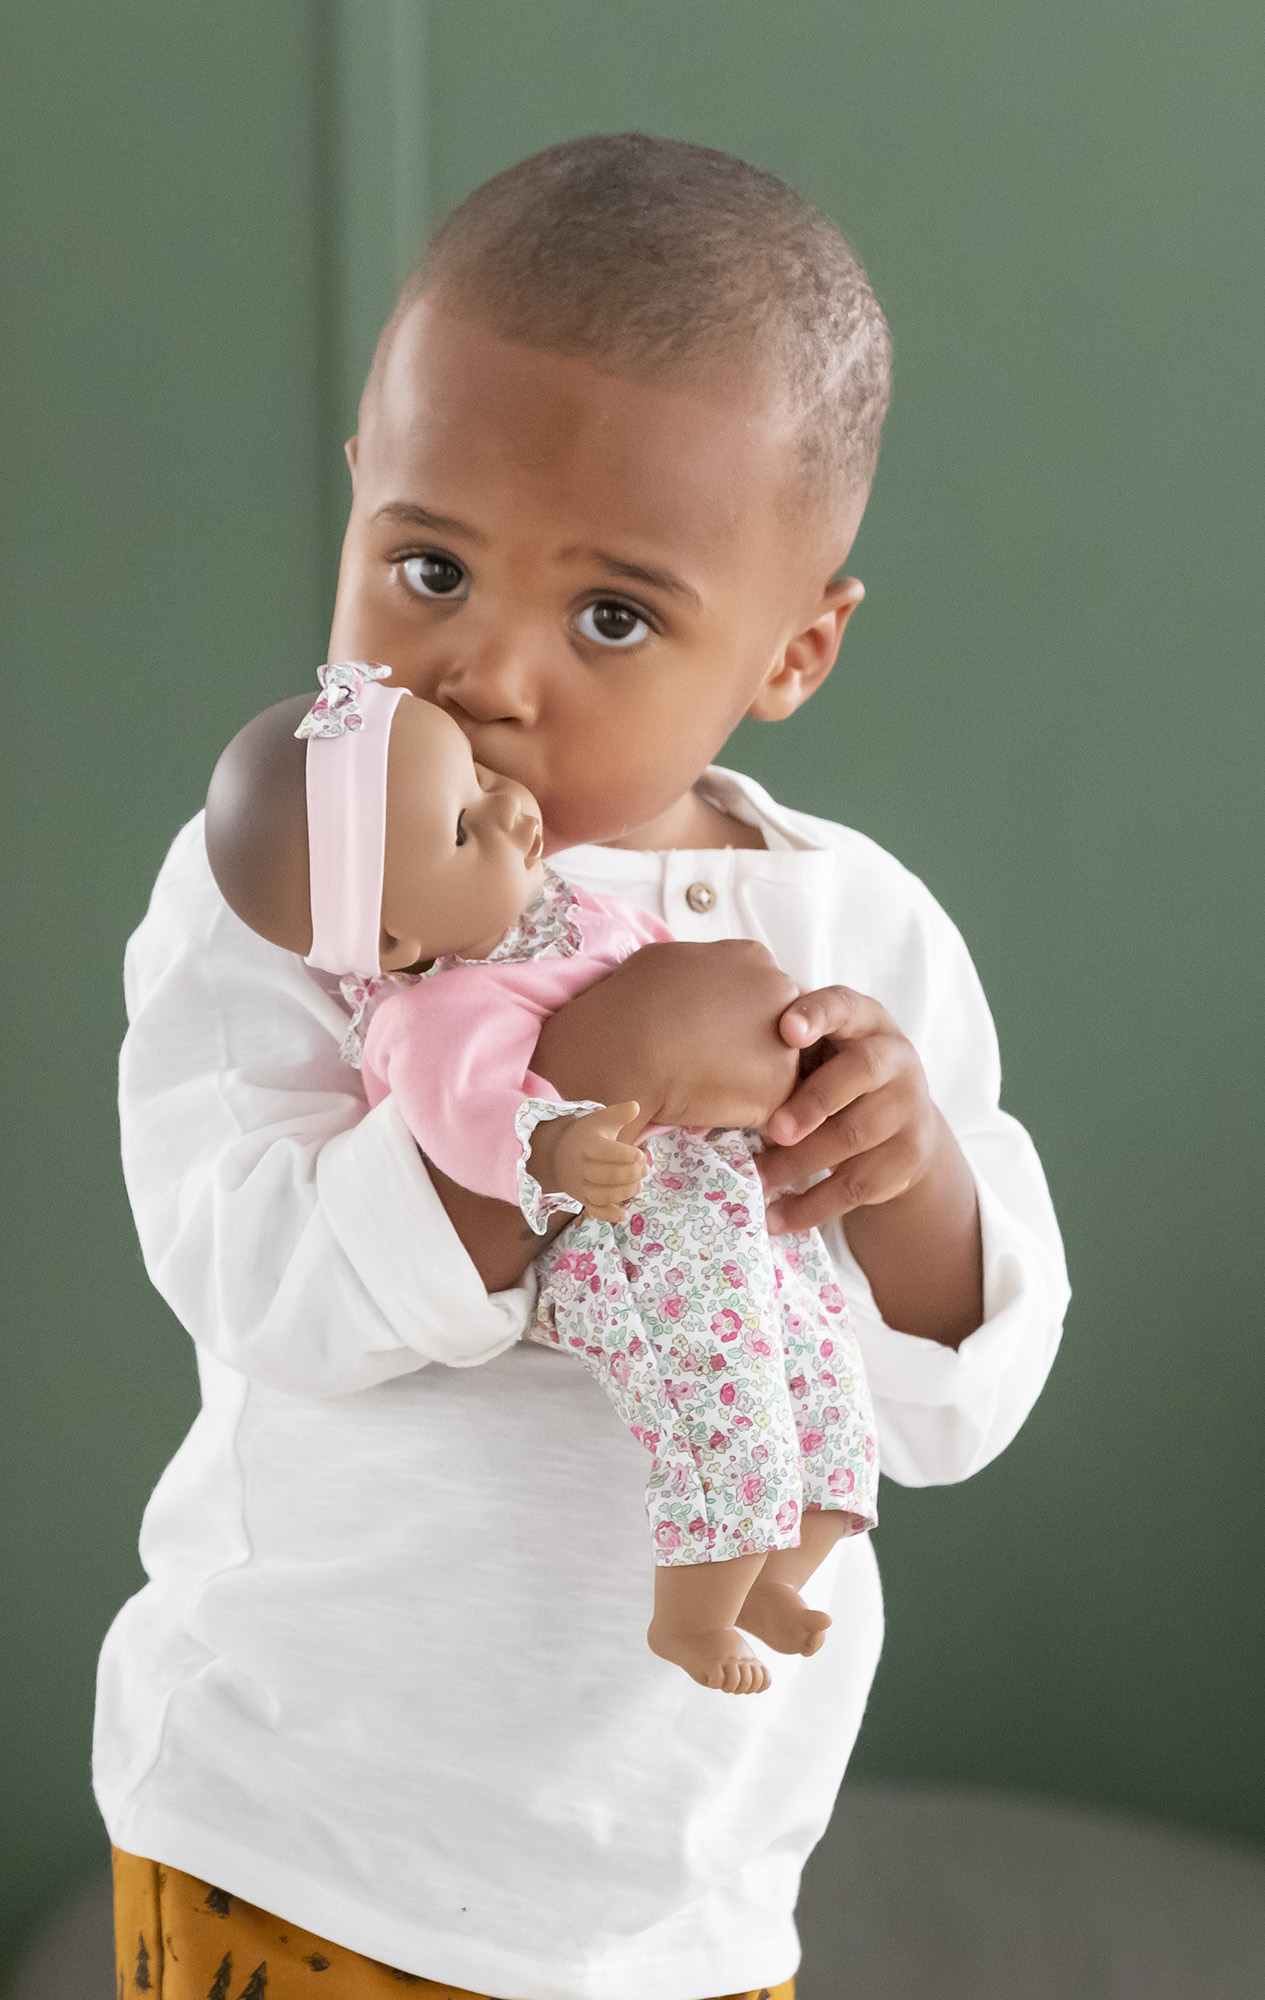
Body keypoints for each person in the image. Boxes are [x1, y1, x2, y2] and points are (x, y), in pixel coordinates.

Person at [98, 134, 1070, 2000]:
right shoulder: (303, 871)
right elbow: (251, 1272)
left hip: (674, 1897)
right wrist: (544, 1123)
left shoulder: (848, 931)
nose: (488, 674)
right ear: (358, 493)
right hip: (297, 1826)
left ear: (795, 647)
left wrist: (909, 1169)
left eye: (613, 615)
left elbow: (953, 1408)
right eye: (430, 564)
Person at [200, 665, 880, 1695]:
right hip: (618, 1235)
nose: (511, 804)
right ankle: (692, 1615)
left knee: (820, 1361)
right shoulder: (430, 1014)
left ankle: (779, 1569)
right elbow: (466, 1120)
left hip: (713, 1189)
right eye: (467, 824)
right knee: (717, 1392)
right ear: (391, 939)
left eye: (477, 775)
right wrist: (550, 1148)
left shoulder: (558, 906)